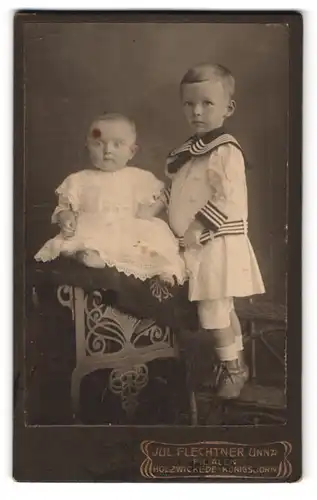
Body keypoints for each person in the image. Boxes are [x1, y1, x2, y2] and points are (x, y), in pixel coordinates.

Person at [142, 63, 265, 398]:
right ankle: (235, 363)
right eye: (189, 104)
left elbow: (228, 198)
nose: (196, 111)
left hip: (216, 242)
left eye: (207, 104)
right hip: (198, 245)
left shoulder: (225, 151)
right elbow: (181, 190)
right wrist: (154, 206)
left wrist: (198, 225)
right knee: (221, 308)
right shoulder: (193, 151)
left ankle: (233, 369)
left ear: (228, 108)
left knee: (213, 310)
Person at [34, 113, 186, 285]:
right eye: (98, 144)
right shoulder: (78, 180)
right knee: (73, 244)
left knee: (154, 245)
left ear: (132, 151)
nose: (107, 151)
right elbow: (65, 206)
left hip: (129, 227)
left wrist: (151, 210)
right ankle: (93, 257)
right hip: (95, 226)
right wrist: (66, 217)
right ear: (87, 148)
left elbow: (162, 197)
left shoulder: (140, 178)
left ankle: (163, 271)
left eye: (117, 144)